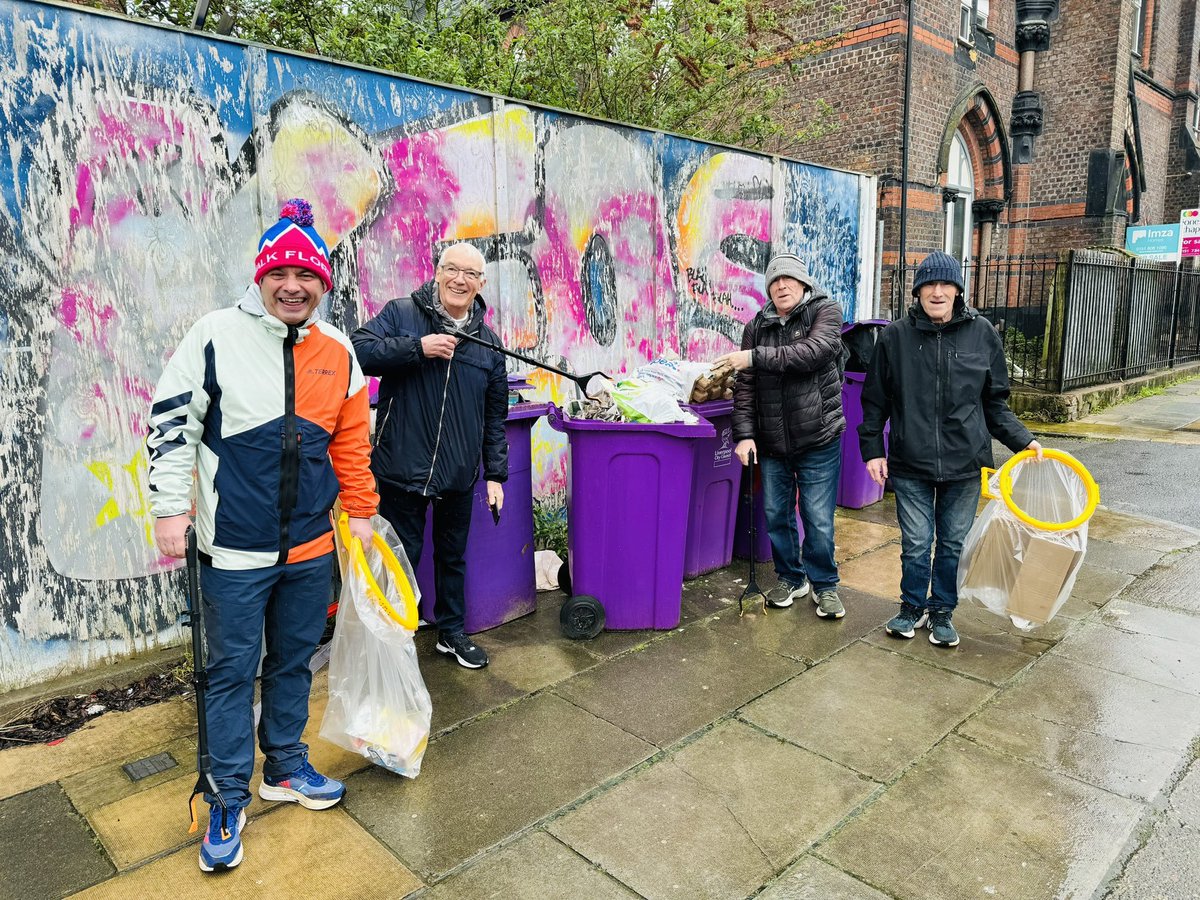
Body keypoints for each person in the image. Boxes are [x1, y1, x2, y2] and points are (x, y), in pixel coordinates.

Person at [146, 199, 379, 872]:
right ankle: (225, 793)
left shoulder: (339, 353)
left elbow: (352, 444)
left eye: (306, 277)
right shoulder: (214, 335)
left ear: (322, 285)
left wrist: (359, 515)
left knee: (293, 662)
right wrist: (169, 508)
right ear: (261, 276)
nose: (293, 286)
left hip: (310, 549)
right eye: (280, 273)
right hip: (235, 553)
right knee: (229, 674)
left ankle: (285, 763)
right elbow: (172, 423)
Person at [859, 250, 1042, 648]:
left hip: (964, 463)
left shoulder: (982, 334)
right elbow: (875, 401)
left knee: (952, 545)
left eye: (945, 284)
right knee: (916, 543)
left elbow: (994, 401)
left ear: (958, 290)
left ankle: (941, 611)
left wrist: (1023, 441)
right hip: (910, 462)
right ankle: (911, 607)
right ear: (918, 291)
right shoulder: (895, 337)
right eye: (929, 285)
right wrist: (872, 449)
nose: (937, 292)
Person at [352, 242, 508, 670]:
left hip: (458, 474)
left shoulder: (489, 345)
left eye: (470, 274)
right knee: (399, 557)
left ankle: (451, 633)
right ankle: (393, 640)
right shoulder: (402, 313)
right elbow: (358, 350)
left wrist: (495, 474)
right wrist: (416, 349)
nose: (459, 279)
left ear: (481, 284)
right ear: (437, 272)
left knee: (452, 556)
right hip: (402, 468)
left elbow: (496, 415)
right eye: (452, 270)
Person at [717, 252, 848, 619]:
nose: (781, 286)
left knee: (817, 518)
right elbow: (745, 387)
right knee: (776, 514)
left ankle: (825, 586)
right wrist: (744, 435)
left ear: (804, 284)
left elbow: (813, 352)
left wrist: (754, 358)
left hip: (818, 437)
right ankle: (792, 578)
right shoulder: (757, 325)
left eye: (788, 279)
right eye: (774, 281)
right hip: (772, 441)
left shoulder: (825, 312)